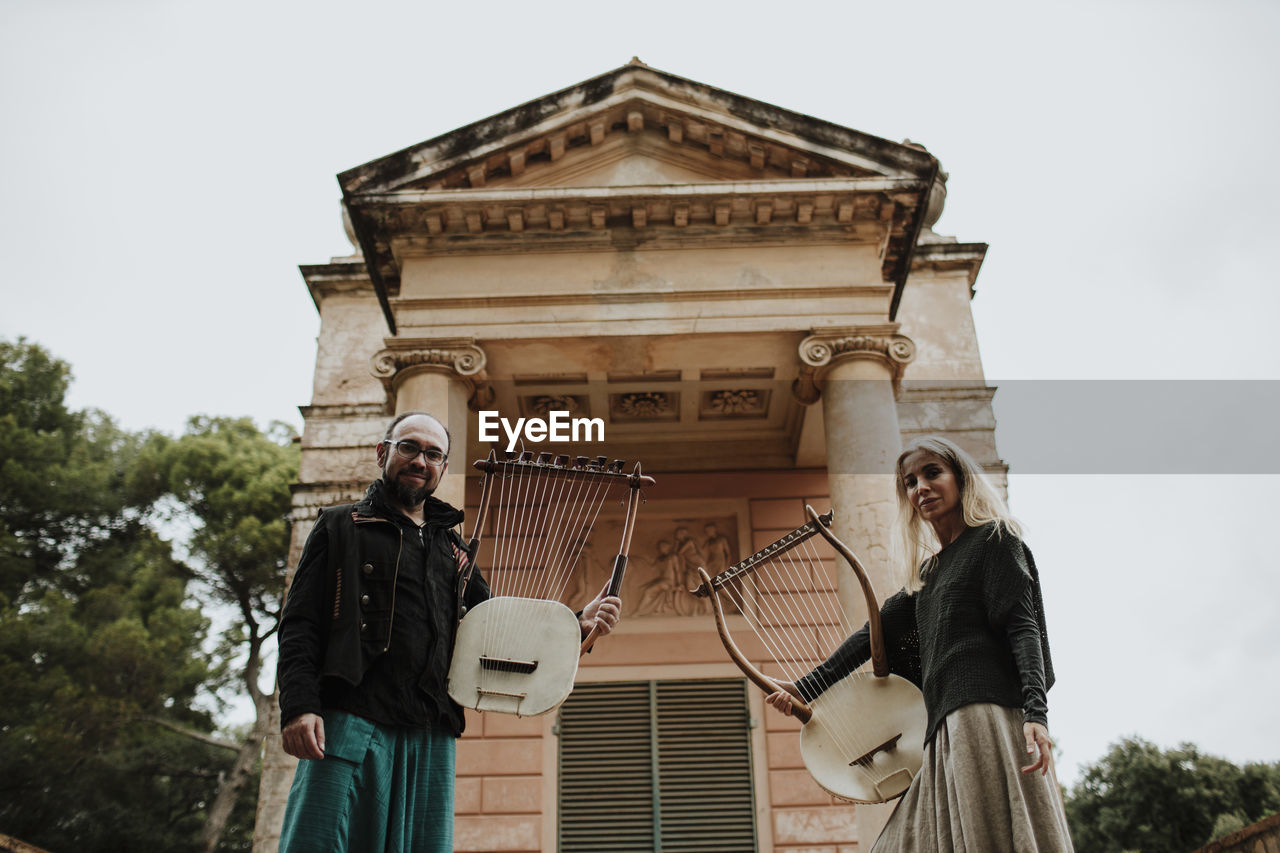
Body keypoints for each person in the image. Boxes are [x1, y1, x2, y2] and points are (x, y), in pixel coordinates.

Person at [276, 411, 622, 853]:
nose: (421, 460)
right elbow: (300, 623)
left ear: (443, 467)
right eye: (410, 447)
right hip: (349, 717)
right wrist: (299, 707)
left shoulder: (454, 549)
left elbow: (494, 628)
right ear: (384, 452)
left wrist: (577, 625)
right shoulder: (341, 525)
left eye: (433, 454)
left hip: (431, 728)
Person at [766, 435, 1073, 851]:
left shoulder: (995, 541)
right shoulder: (926, 576)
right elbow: (869, 636)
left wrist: (1036, 712)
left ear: (960, 478)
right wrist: (801, 688)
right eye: (910, 481)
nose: (921, 488)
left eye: (932, 473)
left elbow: (1023, 628)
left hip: (983, 715)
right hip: (940, 728)